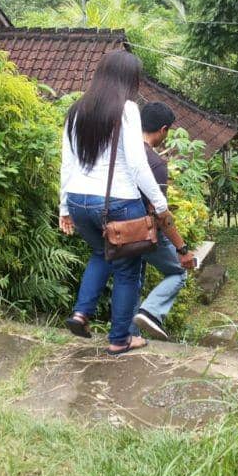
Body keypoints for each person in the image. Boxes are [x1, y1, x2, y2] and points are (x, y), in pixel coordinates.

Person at [58, 50, 195, 355]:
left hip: (79, 201)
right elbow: (136, 166)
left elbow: (67, 163)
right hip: (117, 202)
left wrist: (64, 208)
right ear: (128, 79)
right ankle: (120, 339)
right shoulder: (127, 109)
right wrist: (160, 206)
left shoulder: (76, 109)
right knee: (127, 269)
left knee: (99, 252)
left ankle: (81, 313)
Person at [129, 102, 193, 341]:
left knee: (131, 280)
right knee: (178, 273)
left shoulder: (124, 154)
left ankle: (128, 336)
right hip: (144, 231)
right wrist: (181, 248)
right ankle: (151, 311)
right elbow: (160, 213)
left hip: (118, 230)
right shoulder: (154, 163)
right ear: (163, 130)